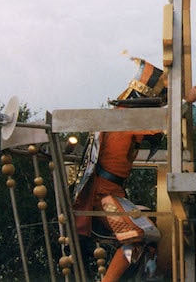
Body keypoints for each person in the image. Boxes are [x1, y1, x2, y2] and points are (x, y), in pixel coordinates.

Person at [72, 58, 167, 281]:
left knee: (148, 238)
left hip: (112, 194)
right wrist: (186, 100)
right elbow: (166, 122)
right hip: (103, 196)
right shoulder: (125, 119)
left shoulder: (119, 117)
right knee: (136, 237)